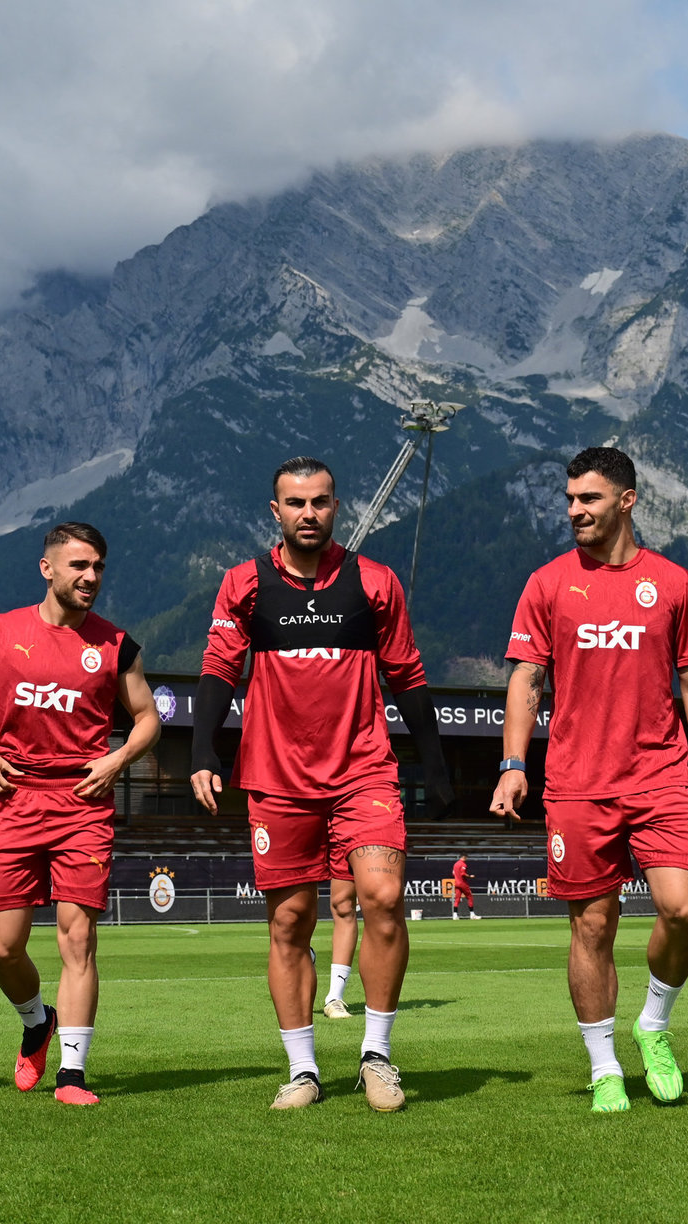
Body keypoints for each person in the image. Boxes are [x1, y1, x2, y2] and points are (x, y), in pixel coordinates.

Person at [192, 456, 453, 1112]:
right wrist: (201, 750)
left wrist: (435, 761)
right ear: (274, 512)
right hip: (277, 781)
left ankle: (376, 1057)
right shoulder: (243, 585)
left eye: (320, 502)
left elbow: (408, 674)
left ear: (336, 507)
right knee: (288, 923)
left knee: (384, 898)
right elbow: (220, 669)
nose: (308, 513)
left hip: (363, 771)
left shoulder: (374, 583)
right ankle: (303, 1070)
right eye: (295, 503)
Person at [490, 445, 688, 1114]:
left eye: (587, 499)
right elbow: (527, 679)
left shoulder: (674, 583)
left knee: (683, 910)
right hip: (576, 784)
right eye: (568, 500)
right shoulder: (547, 584)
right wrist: (512, 765)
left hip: (659, 778)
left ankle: (652, 1024)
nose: (573, 511)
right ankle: (603, 1068)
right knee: (592, 926)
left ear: (626, 500)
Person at [0, 521, 161, 1107]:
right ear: (47, 569)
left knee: (78, 939)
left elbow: (148, 718)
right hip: (12, 802)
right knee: (2, 946)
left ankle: (72, 1074)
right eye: (79, 566)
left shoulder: (117, 646)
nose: (91, 577)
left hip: (83, 806)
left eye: (98, 567)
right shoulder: (1, 631)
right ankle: (36, 1020)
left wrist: (116, 761)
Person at [322, 873, 360, 1018]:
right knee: (294, 910)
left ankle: (334, 998)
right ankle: (306, 955)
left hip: (342, 850)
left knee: (343, 906)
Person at [450, 854, 478, 920]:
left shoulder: (455, 864)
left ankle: (455, 915)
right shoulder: (463, 864)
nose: (466, 859)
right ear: (464, 857)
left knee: (457, 899)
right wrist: (470, 876)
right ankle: (472, 914)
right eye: (466, 858)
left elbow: (453, 873)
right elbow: (463, 873)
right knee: (470, 897)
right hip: (462, 883)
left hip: (456, 883)